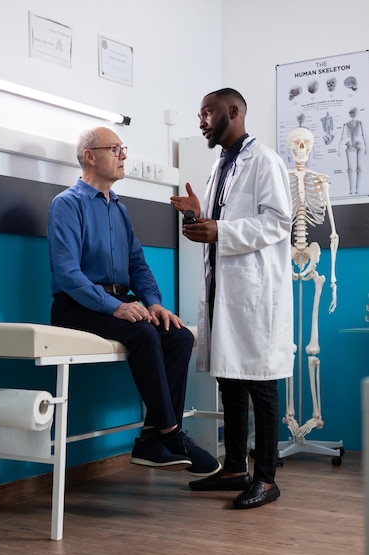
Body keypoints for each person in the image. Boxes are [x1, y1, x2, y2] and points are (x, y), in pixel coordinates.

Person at [47, 126, 221, 478]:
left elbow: (138, 265)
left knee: (179, 336)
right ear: (90, 156)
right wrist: (115, 307)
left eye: (123, 148)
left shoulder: (120, 211)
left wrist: (154, 302)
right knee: (143, 333)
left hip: (117, 302)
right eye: (115, 149)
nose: (123, 155)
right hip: (75, 305)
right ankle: (171, 434)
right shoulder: (66, 204)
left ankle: (150, 439)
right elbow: (68, 274)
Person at [170, 88, 294, 508]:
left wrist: (219, 230)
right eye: (199, 114)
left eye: (207, 112)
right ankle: (236, 468)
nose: (201, 121)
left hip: (256, 292)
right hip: (225, 288)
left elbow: (278, 221)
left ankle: (266, 477)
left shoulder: (265, 161)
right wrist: (196, 215)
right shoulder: (220, 164)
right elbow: (224, 221)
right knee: (230, 377)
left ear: (234, 111)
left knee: (260, 380)